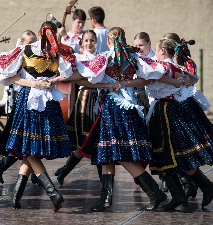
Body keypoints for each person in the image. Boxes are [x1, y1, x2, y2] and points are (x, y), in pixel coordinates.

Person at [0, 21, 83, 212]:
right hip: (31, 100)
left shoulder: (58, 53)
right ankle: (50, 193)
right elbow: (7, 73)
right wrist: (35, 84)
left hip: (44, 102)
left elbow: (72, 73)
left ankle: (17, 197)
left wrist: (53, 80)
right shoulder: (27, 50)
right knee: (30, 149)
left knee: (29, 149)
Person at [70, 27, 180, 212]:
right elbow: (147, 79)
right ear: (125, 39)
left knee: (118, 152)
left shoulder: (105, 57)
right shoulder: (133, 57)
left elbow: (80, 79)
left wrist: (106, 84)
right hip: (130, 106)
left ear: (109, 41)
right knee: (108, 152)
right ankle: (106, 198)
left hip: (114, 108)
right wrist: (126, 83)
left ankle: (154, 191)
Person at [145, 38, 213, 210]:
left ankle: (188, 191)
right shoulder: (176, 67)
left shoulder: (163, 67)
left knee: (167, 153)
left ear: (162, 51)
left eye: (156, 49)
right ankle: (185, 192)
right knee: (172, 154)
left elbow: (154, 75)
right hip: (166, 110)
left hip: (165, 112)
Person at [55, 30, 111, 185]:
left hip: (100, 98)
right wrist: (106, 85)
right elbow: (81, 81)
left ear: (96, 42)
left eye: (92, 40)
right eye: (86, 41)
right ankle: (103, 186)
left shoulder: (102, 57)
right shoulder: (78, 59)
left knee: (96, 141)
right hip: (86, 99)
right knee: (89, 140)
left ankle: (64, 171)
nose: (89, 43)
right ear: (82, 43)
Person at [0, 30, 38, 185]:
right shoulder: (18, 55)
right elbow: (7, 77)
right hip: (21, 101)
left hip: (34, 101)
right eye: (30, 42)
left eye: (35, 42)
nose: (34, 45)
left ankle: (3, 166)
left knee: (28, 140)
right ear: (22, 43)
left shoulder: (36, 55)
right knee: (24, 141)